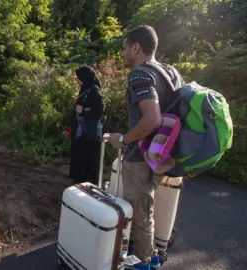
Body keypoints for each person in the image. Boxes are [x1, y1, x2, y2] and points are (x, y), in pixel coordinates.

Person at [104, 25, 184, 270]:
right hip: (162, 154)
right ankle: (148, 254)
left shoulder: (140, 75)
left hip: (140, 156)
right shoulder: (171, 72)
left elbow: (152, 119)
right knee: (145, 207)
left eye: (125, 47)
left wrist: (124, 139)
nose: (123, 53)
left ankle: (145, 262)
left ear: (136, 47)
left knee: (140, 212)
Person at [69, 66, 106, 185]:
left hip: (88, 132)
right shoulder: (85, 89)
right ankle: (79, 178)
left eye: (78, 78)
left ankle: (86, 181)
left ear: (84, 77)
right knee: (80, 154)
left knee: (87, 156)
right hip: (82, 131)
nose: (77, 80)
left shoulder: (94, 90)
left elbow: (101, 109)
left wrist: (83, 110)